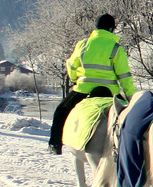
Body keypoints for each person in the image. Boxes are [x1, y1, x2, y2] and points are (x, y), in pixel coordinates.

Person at [47, 14, 136, 153]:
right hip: (110, 93)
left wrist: (75, 78)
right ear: (112, 29)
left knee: (61, 111)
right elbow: (124, 76)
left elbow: (71, 65)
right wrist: (131, 97)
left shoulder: (82, 44)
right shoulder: (116, 48)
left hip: (84, 90)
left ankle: (55, 145)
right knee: (130, 118)